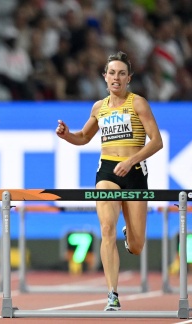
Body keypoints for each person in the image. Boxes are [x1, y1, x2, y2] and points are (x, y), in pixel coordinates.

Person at [55, 51, 163, 311]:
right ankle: (112, 294)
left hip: (135, 171)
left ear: (129, 78)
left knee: (136, 247)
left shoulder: (138, 103)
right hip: (108, 172)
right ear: (105, 77)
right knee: (106, 230)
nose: (116, 78)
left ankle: (130, 235)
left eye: (121, 73)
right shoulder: (99, 107)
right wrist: (67, 135)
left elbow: (157, 142)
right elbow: (83, 137)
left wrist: (131, 161)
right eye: (112, 73)